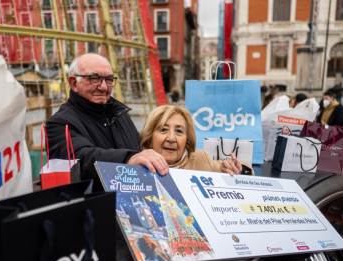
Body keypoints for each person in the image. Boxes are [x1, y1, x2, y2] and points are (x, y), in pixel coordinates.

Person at [46, 54, 168, 191]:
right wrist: (128, 159)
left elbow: (140, 149)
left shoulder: (120, 114)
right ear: (74, 83)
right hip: (93, 207)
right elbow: (81, 160)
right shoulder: (59, 124)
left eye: (109, 80)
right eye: (94, 79)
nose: (103, 87)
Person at [140, 105, 253, 176]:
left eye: (179, 131)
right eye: (163, 130)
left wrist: (238, 169)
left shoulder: (200, 159)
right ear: (149, 138)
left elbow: (243, 171)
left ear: (187, 139)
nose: (171, 138)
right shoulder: (137, 164)